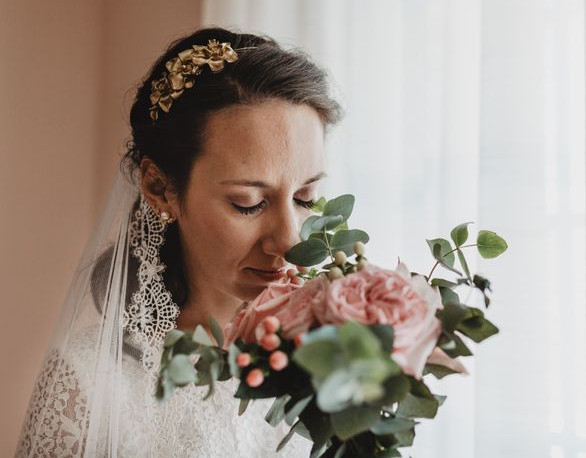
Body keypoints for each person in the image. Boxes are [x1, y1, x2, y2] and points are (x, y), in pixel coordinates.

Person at [15, 26, 342, 457]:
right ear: (160, 187)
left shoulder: (336, 353)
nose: (290, 239)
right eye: (248, 203)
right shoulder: (87, 388)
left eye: (305, 198)